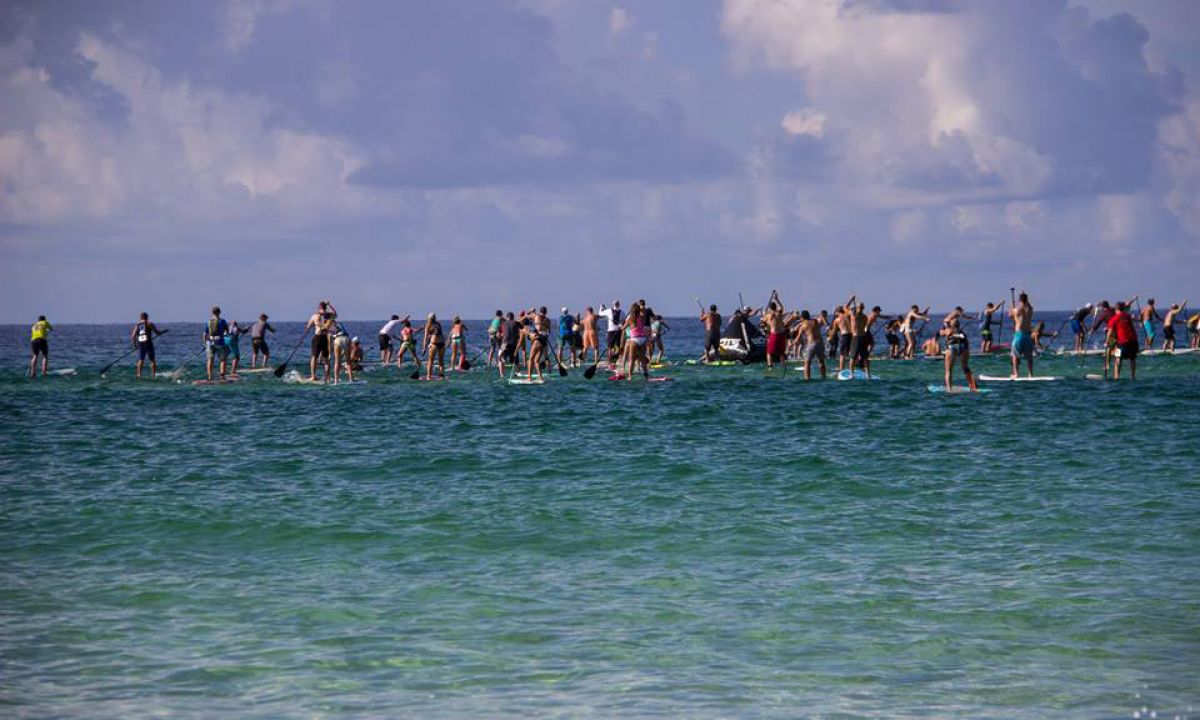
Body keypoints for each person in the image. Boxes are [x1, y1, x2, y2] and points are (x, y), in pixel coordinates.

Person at [941, 317, 978, 392]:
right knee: (965, 367)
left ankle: (949, 389)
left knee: (948, 370)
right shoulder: (960, 331)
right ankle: (973, 387)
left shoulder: (948, 330)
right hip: (963, 348)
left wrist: (951, 334)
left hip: (953, 348)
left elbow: (942, 332)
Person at [305, 301, 336, 382]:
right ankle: (328, 378)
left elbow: (308, 327)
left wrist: (308, 327)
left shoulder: (315, 316)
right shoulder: (330, 315)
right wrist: (330, 305)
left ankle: (313, 376)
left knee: (314, 357)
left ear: (319, 307)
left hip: (317, 338)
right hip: (325, 338)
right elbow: (335, 313)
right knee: (326, 359)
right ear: (325, 307)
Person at [1107, 301, 1139, 379]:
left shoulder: (1114, 318)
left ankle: (1116, 377)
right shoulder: (1128, 316)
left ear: (1116, 309)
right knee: (1132, 358)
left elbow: (1110, 332)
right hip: (1134, 342)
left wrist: (1106, 342)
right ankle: (1133, 377)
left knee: (1117, 358)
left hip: (1122, 343)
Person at [130, 312, 163, 379]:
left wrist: (134, 346)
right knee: (152, 360)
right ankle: (153, 376)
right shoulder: (149, 323)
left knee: (141, 359)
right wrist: (162, 332)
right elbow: (157, 332)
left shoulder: (137, 325)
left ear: (140, 317)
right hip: (148, 343)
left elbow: (133, 336)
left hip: (141, 343)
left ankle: (139, 375)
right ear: (147, 317)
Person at [1009, 291, 1034, 378]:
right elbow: (1016, 316)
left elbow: (1010, 315)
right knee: (1029, 357)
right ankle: (1030, 374)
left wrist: (1012, 306)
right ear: (1027, 299)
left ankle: (1016, 374)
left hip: (1019, 335)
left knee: (1015, 356)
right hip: (1028, 336)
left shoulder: (1018, 309)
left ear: (1020, 300)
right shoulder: (1030, 309)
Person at [796, 310, 826, 380]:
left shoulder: (803, 325)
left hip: (811, 344)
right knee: (821, 362)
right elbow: (821, 320)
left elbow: (798, 338)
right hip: (819, 343)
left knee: (807, 363)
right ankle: (823, 377)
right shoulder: (815, 321)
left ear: (802, 317)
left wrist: (793, 343)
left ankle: (807, 379)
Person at [203, 306, 230, 381]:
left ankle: (210, 377)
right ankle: (222, 376)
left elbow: (205, 334)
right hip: (220, 342)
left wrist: (205, 344)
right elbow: (227, 332)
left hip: (210, 343)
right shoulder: (222, 321)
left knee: (210, 360)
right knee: (223, 360)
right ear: (219, 312)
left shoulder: (208, 322)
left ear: (212, 313)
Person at [763, 292, 788, 370]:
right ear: (775, 307)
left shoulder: (768, 315)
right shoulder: (779, 313)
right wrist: (777, 299)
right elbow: (782, 307)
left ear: (770, 308)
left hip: (774, 335)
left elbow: (763, 322)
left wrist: (764, 315)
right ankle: (783, 366)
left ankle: (770, 367)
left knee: (769, 352)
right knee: (781, 352)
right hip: (782, 334)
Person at [526, 307, 550, 382]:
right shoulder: (548, 320)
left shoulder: (536, 316)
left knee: (530, 359)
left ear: (540, 312)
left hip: (537, 340)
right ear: (546, 312)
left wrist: (530, 311)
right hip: (544, 341)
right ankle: (540, 377)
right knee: (536, 361)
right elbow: (549, 332)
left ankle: (529, 378)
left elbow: (527, 315)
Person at [423, 313, 446, 380]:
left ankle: (429, 376)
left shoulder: (428, 325)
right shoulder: (438, 324)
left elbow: (425, 337)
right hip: (442, 344)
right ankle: (442, 376)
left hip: (434, 344)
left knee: (430, 361)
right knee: (441, 361)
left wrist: (424, 348)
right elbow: (438, 333)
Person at [498, 311, 520, 378]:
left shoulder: (502, 324)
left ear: (507, 317)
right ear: (513, 317)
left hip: (504, 344)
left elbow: (499, 335)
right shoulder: (516, 323)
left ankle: (502, 375)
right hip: (514, 343)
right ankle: (516, 374)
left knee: (500, 359)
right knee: (516, 361)